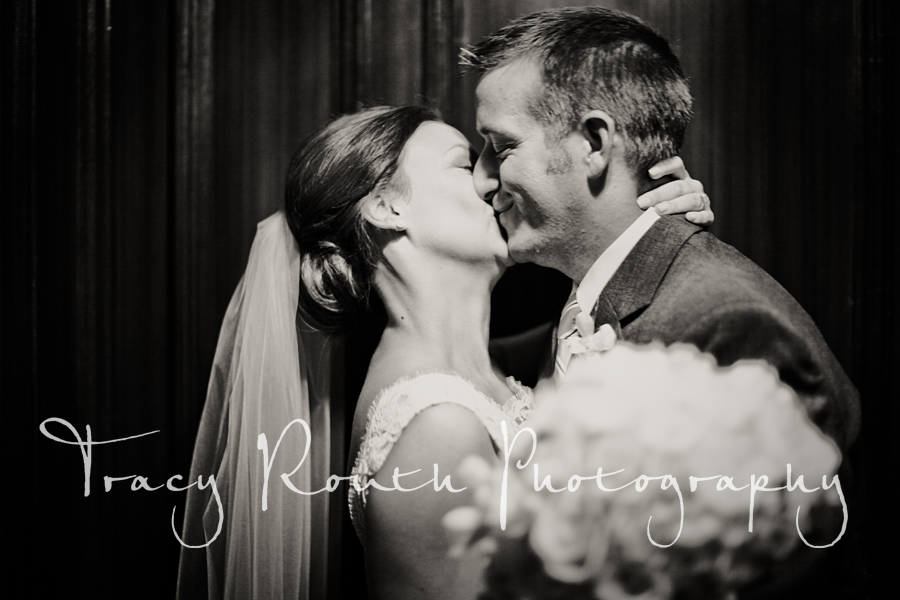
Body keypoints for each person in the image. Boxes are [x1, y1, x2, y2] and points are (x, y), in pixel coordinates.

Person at [461, 5, 862, 597]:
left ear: (594, 143)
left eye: (501, 146)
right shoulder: (588, 295)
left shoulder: (728, 326)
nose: (482, 179)